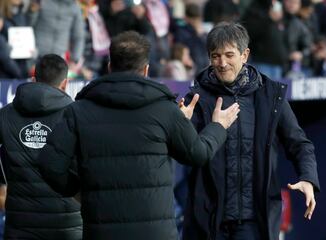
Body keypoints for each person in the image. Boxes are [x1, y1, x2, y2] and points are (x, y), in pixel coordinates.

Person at [37, 31, 240, 240]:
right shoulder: (165, 110)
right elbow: (198, 153)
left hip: (101, 232)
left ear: (109, 67)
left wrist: (81, 191)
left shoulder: (78, 110)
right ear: (146, 70)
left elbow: (49, 165)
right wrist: (218, 126)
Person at [182, 22, 320, 240]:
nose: (222, 63)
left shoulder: (271, 96)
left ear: (245, 55)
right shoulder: (196, 99)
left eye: (229, 55)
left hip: (255, 222)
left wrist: (308, 178)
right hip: (209, 221)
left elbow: (299, 143)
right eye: (215, 56)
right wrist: (182, 127)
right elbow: (187, 153)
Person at [0, 54, 82, 239]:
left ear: (34, 79)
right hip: (68, 226)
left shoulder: (4, 115)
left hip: (20, 225)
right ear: (65, 83)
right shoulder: (79, 116)